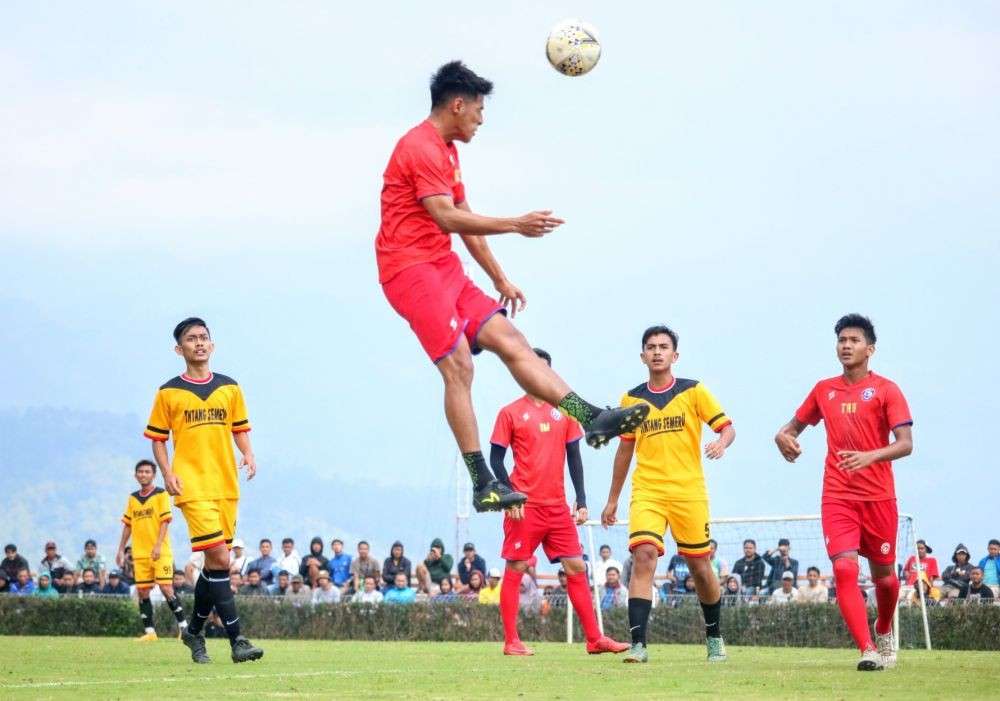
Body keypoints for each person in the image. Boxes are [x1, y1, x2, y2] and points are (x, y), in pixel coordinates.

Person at [375, 60, 650, 514]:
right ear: (458, 105)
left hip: (442, 264)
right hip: (408, 270)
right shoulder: (419, 147)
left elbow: (463, 222)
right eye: (479, 111)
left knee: (512, 339)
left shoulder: (448, 151)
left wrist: (499, 277)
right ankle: (483, 479)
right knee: (460, 367)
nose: (482, 120)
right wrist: (516, 224)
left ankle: (591, 418)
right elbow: (445, 216)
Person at [774, 314, 913, 671]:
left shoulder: (887, 389)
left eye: (853, 340)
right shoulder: (824, 389)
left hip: (879, 497)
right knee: (845, 572)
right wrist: (783, 438)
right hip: (837, 495)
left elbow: (905, 444)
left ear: (870, 349)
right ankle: (867, 648)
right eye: (841, 340)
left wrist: (870, 456)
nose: (846, 346)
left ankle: (883, 629)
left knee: (886, 579)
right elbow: (791, 428)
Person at [602, 325, 735, 664]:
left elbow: (727, 427)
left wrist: (721, 442)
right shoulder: (630, 400)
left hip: (688, 491)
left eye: (664, 346)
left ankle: (715, 637)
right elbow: (624, 452)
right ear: (643, 355)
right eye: (651, 346)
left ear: (675, 355)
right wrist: (613, 499)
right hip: (647, 490)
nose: (657, 351)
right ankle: (638, 645)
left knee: (699, 567)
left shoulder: (694, 391)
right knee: (644, 556)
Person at [490, 347, 627, 656]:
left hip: (557, 507)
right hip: (525, 506)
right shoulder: (509, 412)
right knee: (517, 565)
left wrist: (580, 500)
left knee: (577, 565)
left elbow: (574, 459)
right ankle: (511, 641)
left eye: (546, 369)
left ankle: (594, 639)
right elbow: (495, 459)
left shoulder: (564, 413)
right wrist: (509, 495)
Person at [143, 317, 263, 663]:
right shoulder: (168, 392)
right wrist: (167, 474)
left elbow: (240, 428)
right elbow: (158, 440)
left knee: (215, 566)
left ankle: (194, 631)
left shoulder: (230, 387)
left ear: (212, 345)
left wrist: (249, 454)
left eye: (204, 338)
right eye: (191, 339)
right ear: (178, 349)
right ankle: (237, 640)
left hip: (226, 484)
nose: (199, 343)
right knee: (222, 558)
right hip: (191, 486)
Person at [116, 459, 188, 642]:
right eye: (140, 472)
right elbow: (127, 525)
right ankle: (150, 633)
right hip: (140, 554)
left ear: (153, 475)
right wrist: (120, 549)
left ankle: (184, 628)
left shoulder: (161, 494)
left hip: (160, 552)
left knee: (166, 588)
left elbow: (165, 521)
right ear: (135, 475)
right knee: (142, 591)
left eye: (147, 472)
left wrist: (157, 545)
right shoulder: (132, 498)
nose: (143, 474)